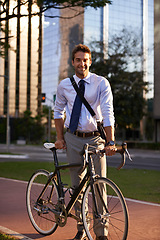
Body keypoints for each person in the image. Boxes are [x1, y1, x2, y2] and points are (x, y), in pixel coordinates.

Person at [54, 44, 116, 240]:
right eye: (78, 60)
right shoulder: (64, 85)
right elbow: (58, 112)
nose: (82, 63)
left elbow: (107, 112)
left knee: (99, 185)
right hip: (72, 138)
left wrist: (110, 140)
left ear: (90, 62)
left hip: (96, 139)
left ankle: (101, 233)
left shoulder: (101, 83)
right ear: (73, 62)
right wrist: (59, 138)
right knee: (76, 186)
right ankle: (82, 228)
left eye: (85, 60)